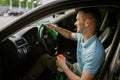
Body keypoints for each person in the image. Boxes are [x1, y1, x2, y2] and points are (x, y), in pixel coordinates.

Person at [22, 7, 105, 80]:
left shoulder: (94, 52)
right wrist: (54, 28)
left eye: (77, 20)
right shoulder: (82, 36)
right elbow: (69, 35)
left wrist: (63, 66)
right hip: (76, 68)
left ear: (87, 23)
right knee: (45, 59)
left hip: (79, 76)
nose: (75, 23)